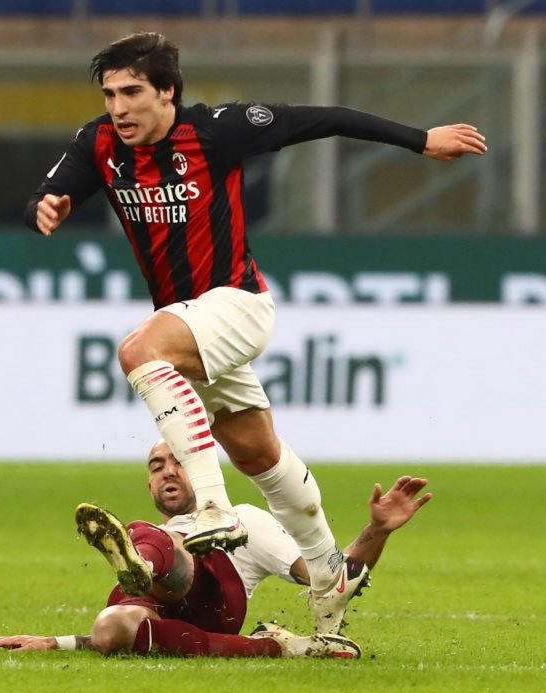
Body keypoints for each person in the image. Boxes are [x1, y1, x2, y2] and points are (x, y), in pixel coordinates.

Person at [24, 31, 481, 633]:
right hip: (190, 325)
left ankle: (212, 504)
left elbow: (323, 119)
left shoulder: (218, 130)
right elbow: (59, 184)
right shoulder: (101, 142)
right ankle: (330, 572)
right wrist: (48, 203)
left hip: (237, 304)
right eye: (110, 93)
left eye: (132, 92)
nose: (119, 107)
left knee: (138, 350)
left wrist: (420, 140)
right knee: (258, 451)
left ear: (167, 93)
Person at [0, 440, 432, 658]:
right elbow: (99, 638)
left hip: (214, 598)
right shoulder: (147, 532)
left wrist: (378, 530)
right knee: (111, 628)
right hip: (160, 609)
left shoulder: (246, 519)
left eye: (181, 461)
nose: (168, 471)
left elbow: (329, 577)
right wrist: (53, 642)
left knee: (159, 541)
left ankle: (147, 566)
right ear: (148, 482)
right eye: (157, 466)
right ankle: (274, 650)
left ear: (205, 472)